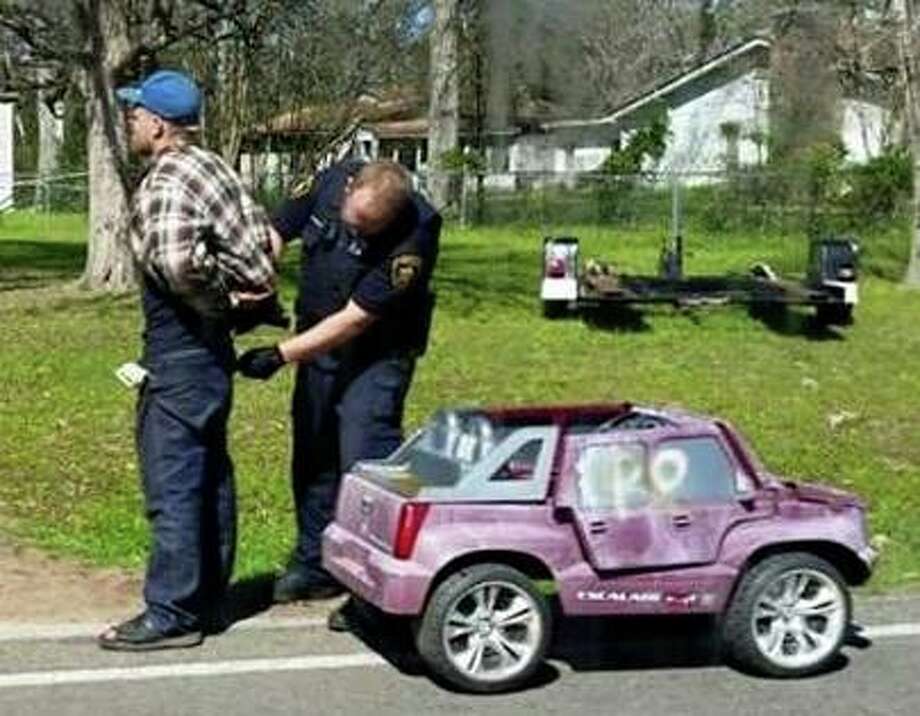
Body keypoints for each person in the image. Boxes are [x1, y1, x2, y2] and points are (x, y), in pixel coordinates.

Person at [99, 69, 282, 651]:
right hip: (208, 354)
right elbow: (261, 243)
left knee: (173, 479)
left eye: (135, 115)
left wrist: (219, 302)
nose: (130, 122)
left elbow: (177, 268)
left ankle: (172, 613)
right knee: (209, 473)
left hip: (180, 347)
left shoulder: (167, 181)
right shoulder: (214, 167)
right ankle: (207, 597)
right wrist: (244, 294)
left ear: (157, 123)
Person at [237, 159, 440, 612]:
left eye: (372, 230)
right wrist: (256, 282)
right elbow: (275, 233)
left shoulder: (418, 232)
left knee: (365, 461)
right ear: (348, 188)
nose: (360, 236)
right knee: (313, 451)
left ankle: (376, 586)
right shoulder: (327, 180)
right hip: (319, 342)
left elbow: (356, 319)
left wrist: (280, 354)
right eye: (355, 223)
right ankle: (316, 565)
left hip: (376, 353)